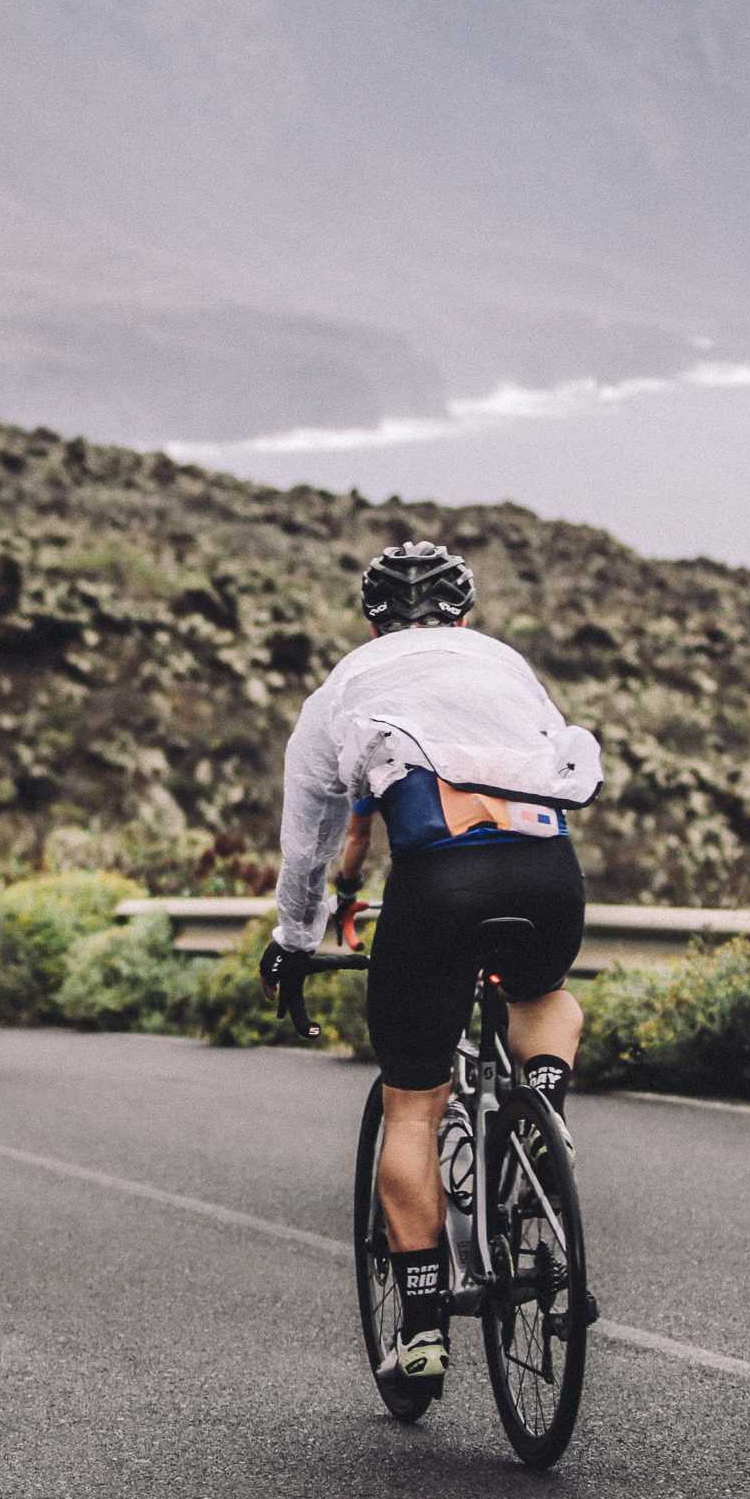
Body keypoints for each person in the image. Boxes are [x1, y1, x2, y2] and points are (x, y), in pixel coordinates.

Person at [257, 540, 603, 1388]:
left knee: (412, 1108)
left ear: (371, 618)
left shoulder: (343, 688)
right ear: (465, 614)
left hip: (438, 881)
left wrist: (295, 943)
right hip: (547, 873)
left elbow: (309, 843)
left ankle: (419, 1326)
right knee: (544, 995)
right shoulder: (505, 664)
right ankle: (541, 1119)